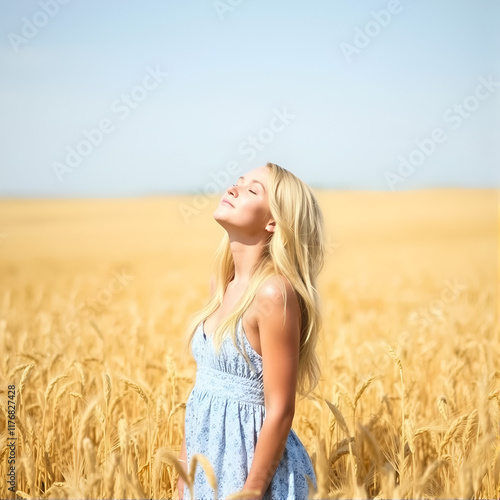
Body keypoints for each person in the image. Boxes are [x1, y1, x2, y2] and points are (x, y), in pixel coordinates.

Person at [176, 162, 325, 499]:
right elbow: (202, 396)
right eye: (238, 182)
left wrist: (253, 491)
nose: (233, 188)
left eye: (252, 190)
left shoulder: (273, 294)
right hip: (206, 467)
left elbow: (281, 409)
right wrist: (184, 481)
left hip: (251, 472)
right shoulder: (221, 284)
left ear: (273, 221)